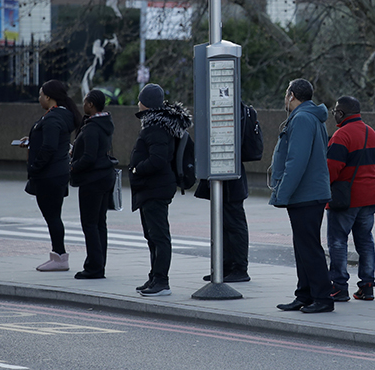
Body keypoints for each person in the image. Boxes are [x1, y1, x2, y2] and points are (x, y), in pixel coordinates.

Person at [270, 79, 334, 314]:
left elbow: (296, 161)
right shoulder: (308, 117)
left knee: (309, 247)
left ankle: (323, 298)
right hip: (309, 193)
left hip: (306, 194)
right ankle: (305, 294)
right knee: (302, 246)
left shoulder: (302, 119)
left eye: (286, 93)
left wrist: (282, 193)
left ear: (292, 95)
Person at [129, 83, 192, 297]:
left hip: (155, 188)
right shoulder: (157, 124)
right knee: (152, 235)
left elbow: (158, 159)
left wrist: (137, 169)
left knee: (159, 236)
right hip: (152, 188)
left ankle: (162, 282)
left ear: (145, 103)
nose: (138, 103)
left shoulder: (156, 128)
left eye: (140, 99)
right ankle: (154, 277)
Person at [195, 101, 263, 283]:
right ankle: (225, 266)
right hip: (225, 174)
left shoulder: (233, 111)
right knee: (224, 224)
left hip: (230, 175)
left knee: (234, 224)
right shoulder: (233, 110)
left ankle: (239, 268)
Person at [21, 79, 82, 272]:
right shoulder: (62, 115)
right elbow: (51, 140)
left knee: (53, 217)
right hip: (57, 173)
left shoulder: (53, 118)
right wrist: (32, 140)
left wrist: (35, 168)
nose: (39, 98)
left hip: (49, 175)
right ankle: (58, 256)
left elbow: (49, 147)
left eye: (41, 95)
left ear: (48, 97)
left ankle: (59, 257)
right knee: (54, 216)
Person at [326, 96, 375, 301]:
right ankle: (367, 286)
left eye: (335, 112)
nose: (334, 115)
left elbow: (332, 168)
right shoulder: (372, 133)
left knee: (338, 241)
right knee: (365, 241)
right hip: (370, 196)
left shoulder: (341, 135)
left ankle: (339, 286)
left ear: (341, 113)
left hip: (346, 199)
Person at [69, 89, 117, 280]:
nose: (83, 104)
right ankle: (99, 264)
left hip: (92, 180)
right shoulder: (106, 123)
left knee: (89, 224)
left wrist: (73, 166)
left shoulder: (91, 128)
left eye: (85, 101)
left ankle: (94, 267)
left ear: (90, 104)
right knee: (100, 223)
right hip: (105, 177)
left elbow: (89, 157)